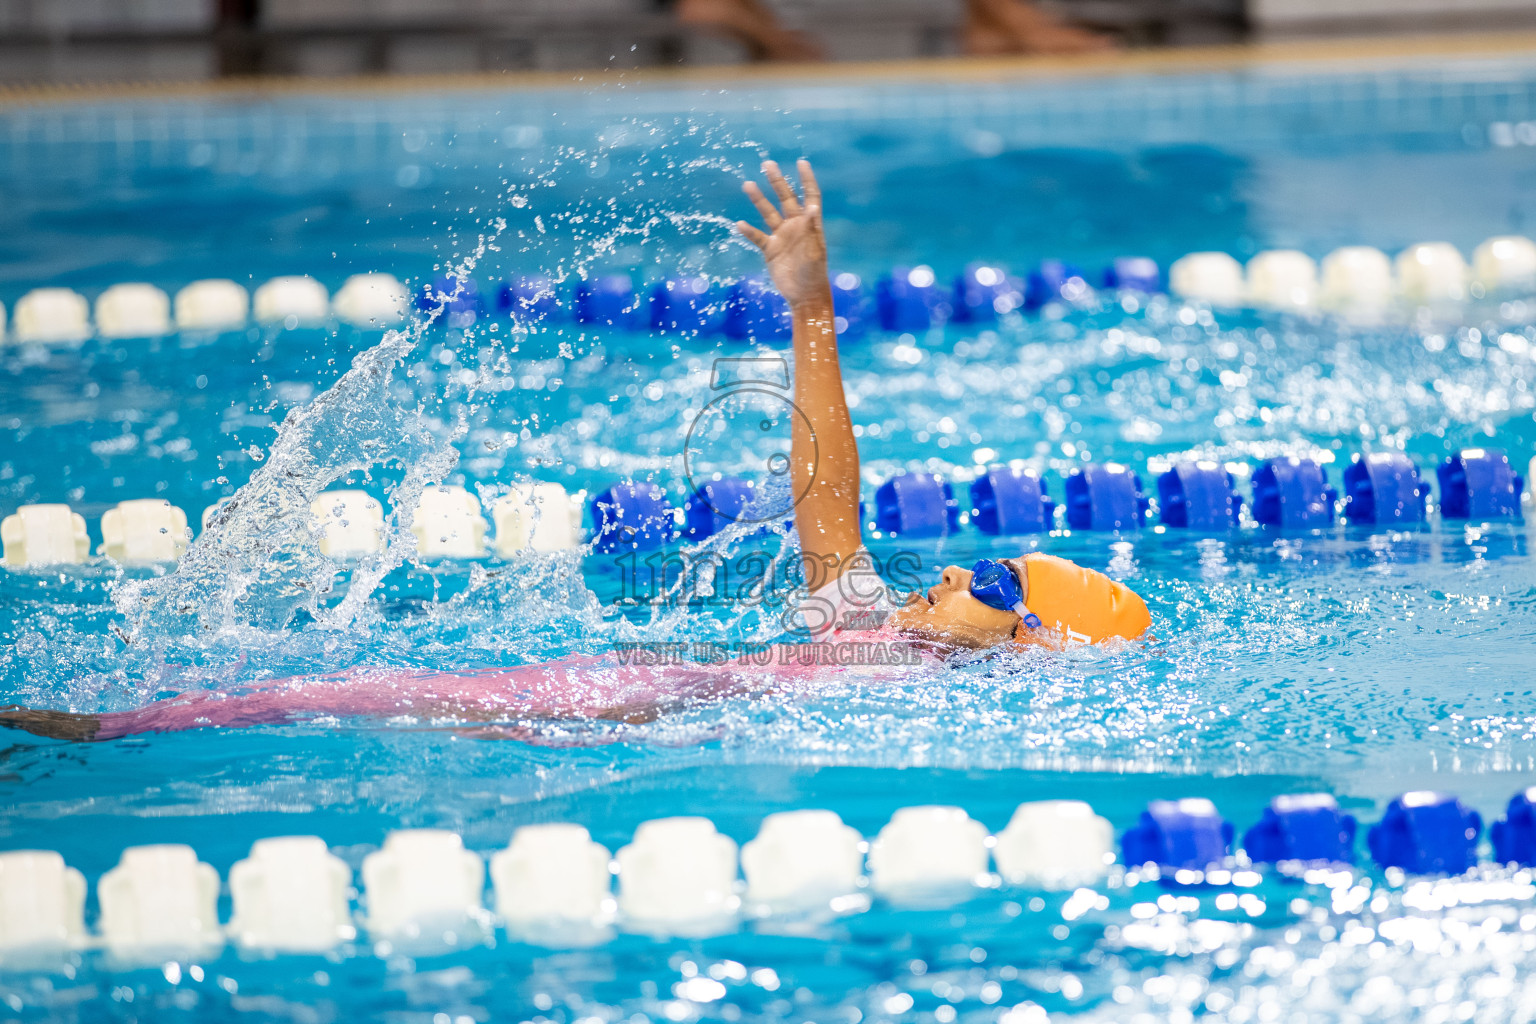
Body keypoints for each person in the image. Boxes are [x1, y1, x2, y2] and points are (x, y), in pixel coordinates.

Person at [0, 159, 1148, 745]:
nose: (954, 571)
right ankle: (94, 726)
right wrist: (808, 306)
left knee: (338, 695)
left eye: (992, 583)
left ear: (1033, 639)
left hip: (629, 705)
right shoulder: (874, 637)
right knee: (329, 694)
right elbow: (824, 487)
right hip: (632, 699)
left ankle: (89, 730)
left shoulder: (920, 690)